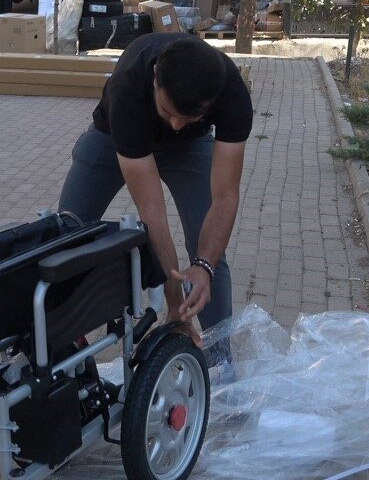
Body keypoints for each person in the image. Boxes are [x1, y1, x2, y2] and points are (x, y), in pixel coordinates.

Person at [58, 33, 252, 348]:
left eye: (187, 116)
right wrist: (174, 302)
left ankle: (220, 356)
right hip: (115, 137)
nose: (175, 124)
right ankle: (62, 340)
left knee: (208, 248)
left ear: (211, 103)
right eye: (167, 110)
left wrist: (204, 266)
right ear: (154, 79)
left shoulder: (231, 94)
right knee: (66, 232)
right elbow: (153, 215)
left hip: (190, 146)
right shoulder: (129, 88)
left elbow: (225, 197)